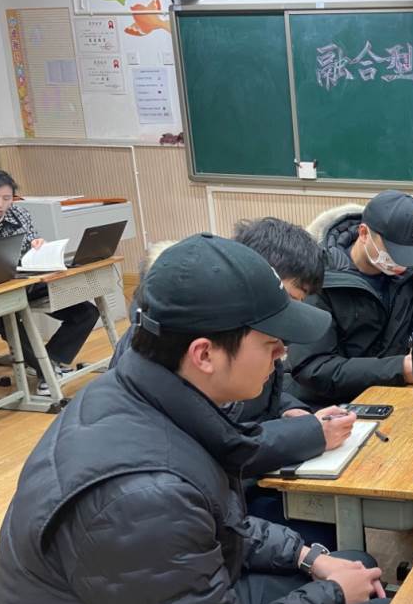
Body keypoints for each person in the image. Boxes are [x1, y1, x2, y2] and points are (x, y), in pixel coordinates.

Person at [0, 234, 388, 604]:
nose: (282, 353)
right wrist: (331, 596)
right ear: (204, 354)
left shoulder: (140, 393)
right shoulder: (142, 495)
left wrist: (307, 557)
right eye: (270, 343)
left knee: (357, 567)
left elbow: (218, 521)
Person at [111, 220, 356, 545]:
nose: (282, 344)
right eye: (288, 299)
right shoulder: (188, 348)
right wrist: (310, 434)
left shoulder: (239, 336)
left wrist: (291, 412)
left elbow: (259, 395)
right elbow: (223, 444)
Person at [287, 190, 413, 407]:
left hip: (390, 395)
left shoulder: (411, 275)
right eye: (393, 252)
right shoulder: (318, 280)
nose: (401, 263)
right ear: (364, 233)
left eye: (407, 255)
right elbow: (314, 367)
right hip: (327, 406)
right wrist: (399, 369)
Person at [0, 169, 99, 396]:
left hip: (29, 282)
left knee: (87, 313)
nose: (0, 204)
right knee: (9, 322)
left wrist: (38, 246)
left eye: (6, 198)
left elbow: (33, 243)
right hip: (0, 295)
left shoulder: (19, 214)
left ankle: (49, 362)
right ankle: (47, 373)